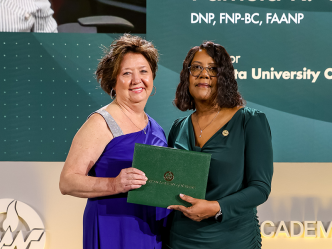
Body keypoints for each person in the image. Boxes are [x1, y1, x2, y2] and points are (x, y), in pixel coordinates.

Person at [59, 34, 170, 249]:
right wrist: (114, 184)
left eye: (143, 71)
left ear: (153, 76)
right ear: (113, 80)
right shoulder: (100, 123)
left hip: (151, 231)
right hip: (112, 229)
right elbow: (67, 182)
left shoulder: (157, 128)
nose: (137, 80)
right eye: (127, 73)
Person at [165, 41, 273, 249]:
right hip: (179, 241)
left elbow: (260, 188)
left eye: (213, 69)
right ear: (187, 76)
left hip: (233, 241)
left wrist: (216, 207)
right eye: (196, 67)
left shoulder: (249, 121)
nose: (203, 74)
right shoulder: (178, 127)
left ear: (224, 77)